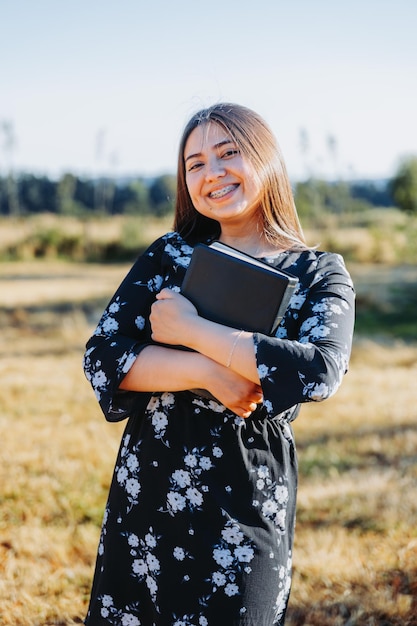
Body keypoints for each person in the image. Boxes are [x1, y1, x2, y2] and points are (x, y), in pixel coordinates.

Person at [83, 102, 355, 625]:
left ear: (267, 159)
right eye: (195, 163)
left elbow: (319, 370)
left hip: (249, 497)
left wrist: (192, 332)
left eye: (228, 154)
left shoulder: (318, 272)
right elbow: (105, 357)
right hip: (150, 485)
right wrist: (210, 372)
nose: (212, 173)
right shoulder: (169, 255)